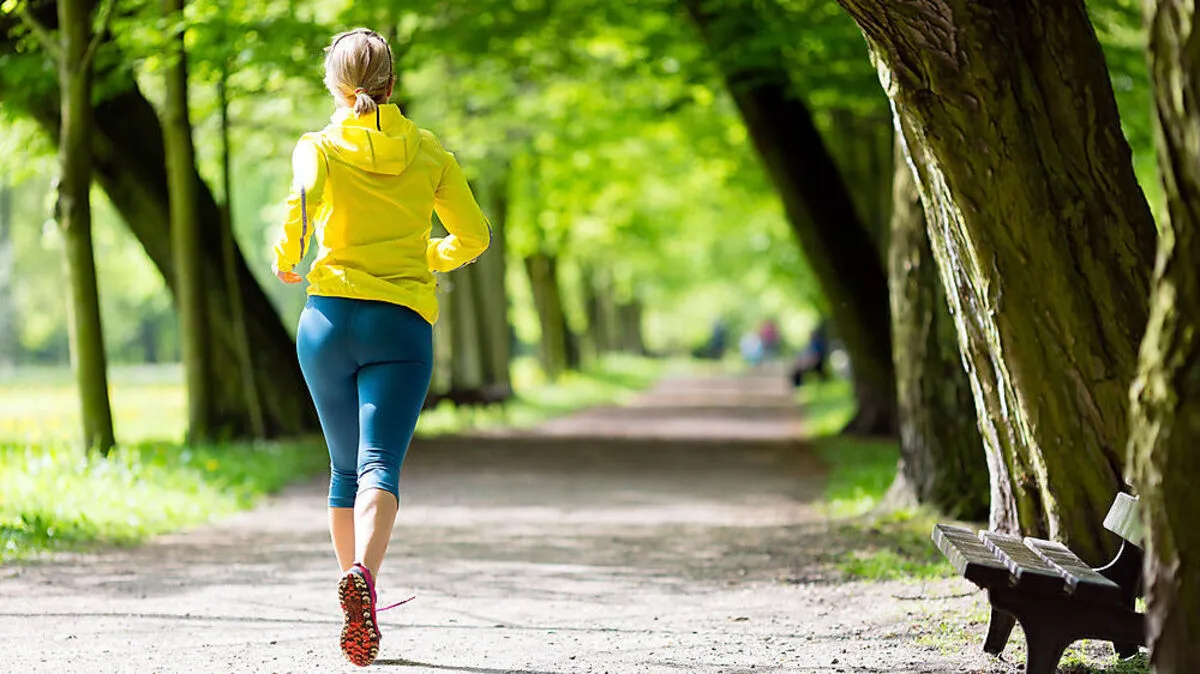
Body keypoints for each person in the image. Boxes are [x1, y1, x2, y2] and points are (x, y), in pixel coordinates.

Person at [270, 28, 490, 667]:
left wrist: (290, 260)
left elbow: (300, 207)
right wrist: (427, 255)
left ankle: (355, 590)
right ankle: (363, 578)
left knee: (342, 469)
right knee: (379, 468)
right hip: (400, 324)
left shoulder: (318, 147)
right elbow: (473, 236)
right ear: (393, 84)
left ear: (335, 86)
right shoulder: (428, 152)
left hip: (329, 322)